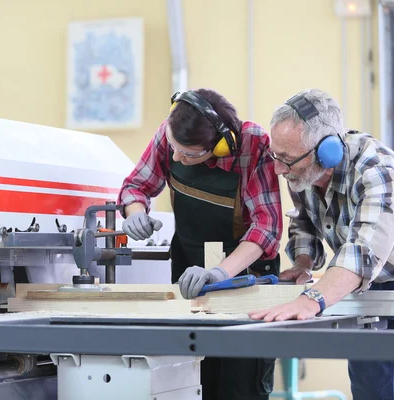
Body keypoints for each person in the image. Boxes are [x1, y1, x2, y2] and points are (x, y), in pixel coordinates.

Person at [118, 88, 283, 400]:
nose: (177, 158)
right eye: (175, 149)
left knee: (241, 384)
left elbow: (267, 227)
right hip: (188, 269)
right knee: (192, 378)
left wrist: (221, 273)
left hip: (246, 273)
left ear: (220, 146)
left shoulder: (252, 144)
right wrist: (135, 213)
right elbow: (136, 186)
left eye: (188, 154)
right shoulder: (170, 137)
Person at [249, 88, 394, 400]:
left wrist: (310, 299)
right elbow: (303, 220)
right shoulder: (302, 173)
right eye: (275, 156)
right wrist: (303, 264)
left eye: (287, 160)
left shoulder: (378, 171)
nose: (278, 169)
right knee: (370, 389)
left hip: (379, 270)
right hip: (368, 283)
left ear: (327, 152)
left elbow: (362, 254)